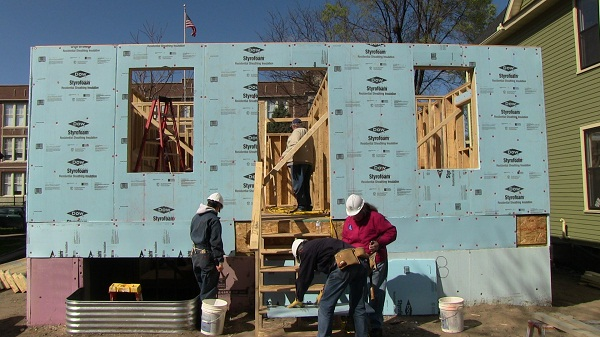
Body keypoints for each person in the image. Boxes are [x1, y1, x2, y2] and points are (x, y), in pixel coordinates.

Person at [288, 237, 369, 337]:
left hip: (343, 264)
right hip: (361, 263)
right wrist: (324, 290)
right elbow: (332, 272)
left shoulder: (306, 250)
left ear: (299, 252)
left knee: (325, 306)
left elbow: (305, 276)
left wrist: (299, 297)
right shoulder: (319, 245)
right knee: (358, 306)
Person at [342, 194, 397, 337]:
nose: (356, 218)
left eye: (358, 214)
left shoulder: (375, 218)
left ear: (363, 210)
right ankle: (360, 324)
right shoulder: (349, 222)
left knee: (377, 294)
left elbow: (392, 231)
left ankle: (375, 326)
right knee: (360, 294)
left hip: (376, 262)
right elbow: (345, 241)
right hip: (357, 264)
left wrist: (379, 243)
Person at [190, 192, 225, 303]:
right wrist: (219, 260)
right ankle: (207, 319)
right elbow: (215, 242)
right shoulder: (213, 220)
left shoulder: (196, 217)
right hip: (206, 258)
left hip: (195, 256)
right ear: (218, 206)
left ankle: (199, 317)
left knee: (203, 289)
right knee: (208, 292)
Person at [280, 118, 315, 211]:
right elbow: (313, 150)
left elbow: (293, 144)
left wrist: (284, 155)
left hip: (297, 161)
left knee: (298, 186)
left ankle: (302, 206)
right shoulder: (309, 134)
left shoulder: (297, 132)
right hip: (308, 162)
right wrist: (313, 164)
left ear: (293, 126)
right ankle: (307, 206)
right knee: (305, 185)